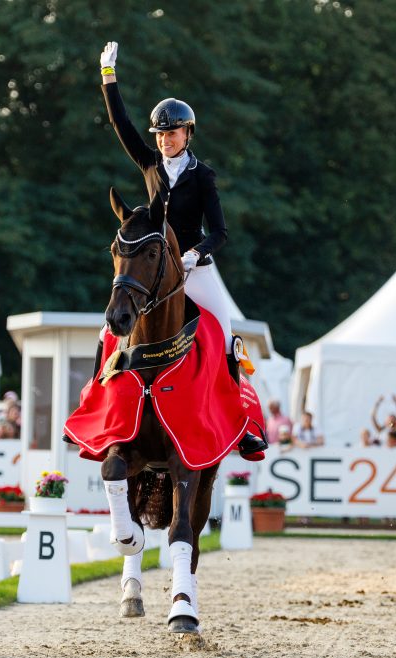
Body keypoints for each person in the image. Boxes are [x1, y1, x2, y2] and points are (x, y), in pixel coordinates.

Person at [98, 40, 266, 460]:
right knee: (109, 331)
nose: (165, 140)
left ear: (187, 133)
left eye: (172, 133)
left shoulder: (203, 175)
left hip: (194, 267)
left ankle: (244, 425)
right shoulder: (150, 165)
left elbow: (221, 232)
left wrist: (196, 253)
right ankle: (100, 410)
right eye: (160, 134)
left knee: (227, 340)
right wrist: (108, 78)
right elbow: (121, 125)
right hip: (155, 268)